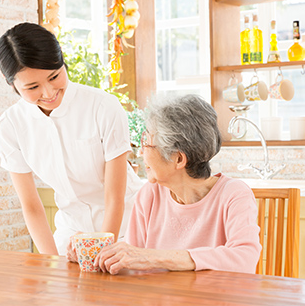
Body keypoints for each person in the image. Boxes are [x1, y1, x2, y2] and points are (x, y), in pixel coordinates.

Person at [0, 22, 143, 256]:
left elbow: (114, 196)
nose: (48, 93)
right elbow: (32, 206)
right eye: (33, 86)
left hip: (128, 225)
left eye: (54, 77)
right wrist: (50, 262)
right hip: (72, 231)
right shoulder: (11, 126)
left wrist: (101, 251)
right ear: (10, 82)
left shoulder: (102, 107)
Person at [94, 94, 262, 274]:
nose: (141, 152)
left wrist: (157, 258)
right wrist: (95, 256)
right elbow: (131, 262)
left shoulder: (233, 195)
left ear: (179, 159)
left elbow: (244, 259)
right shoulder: (150, 194)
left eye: (147, 142)